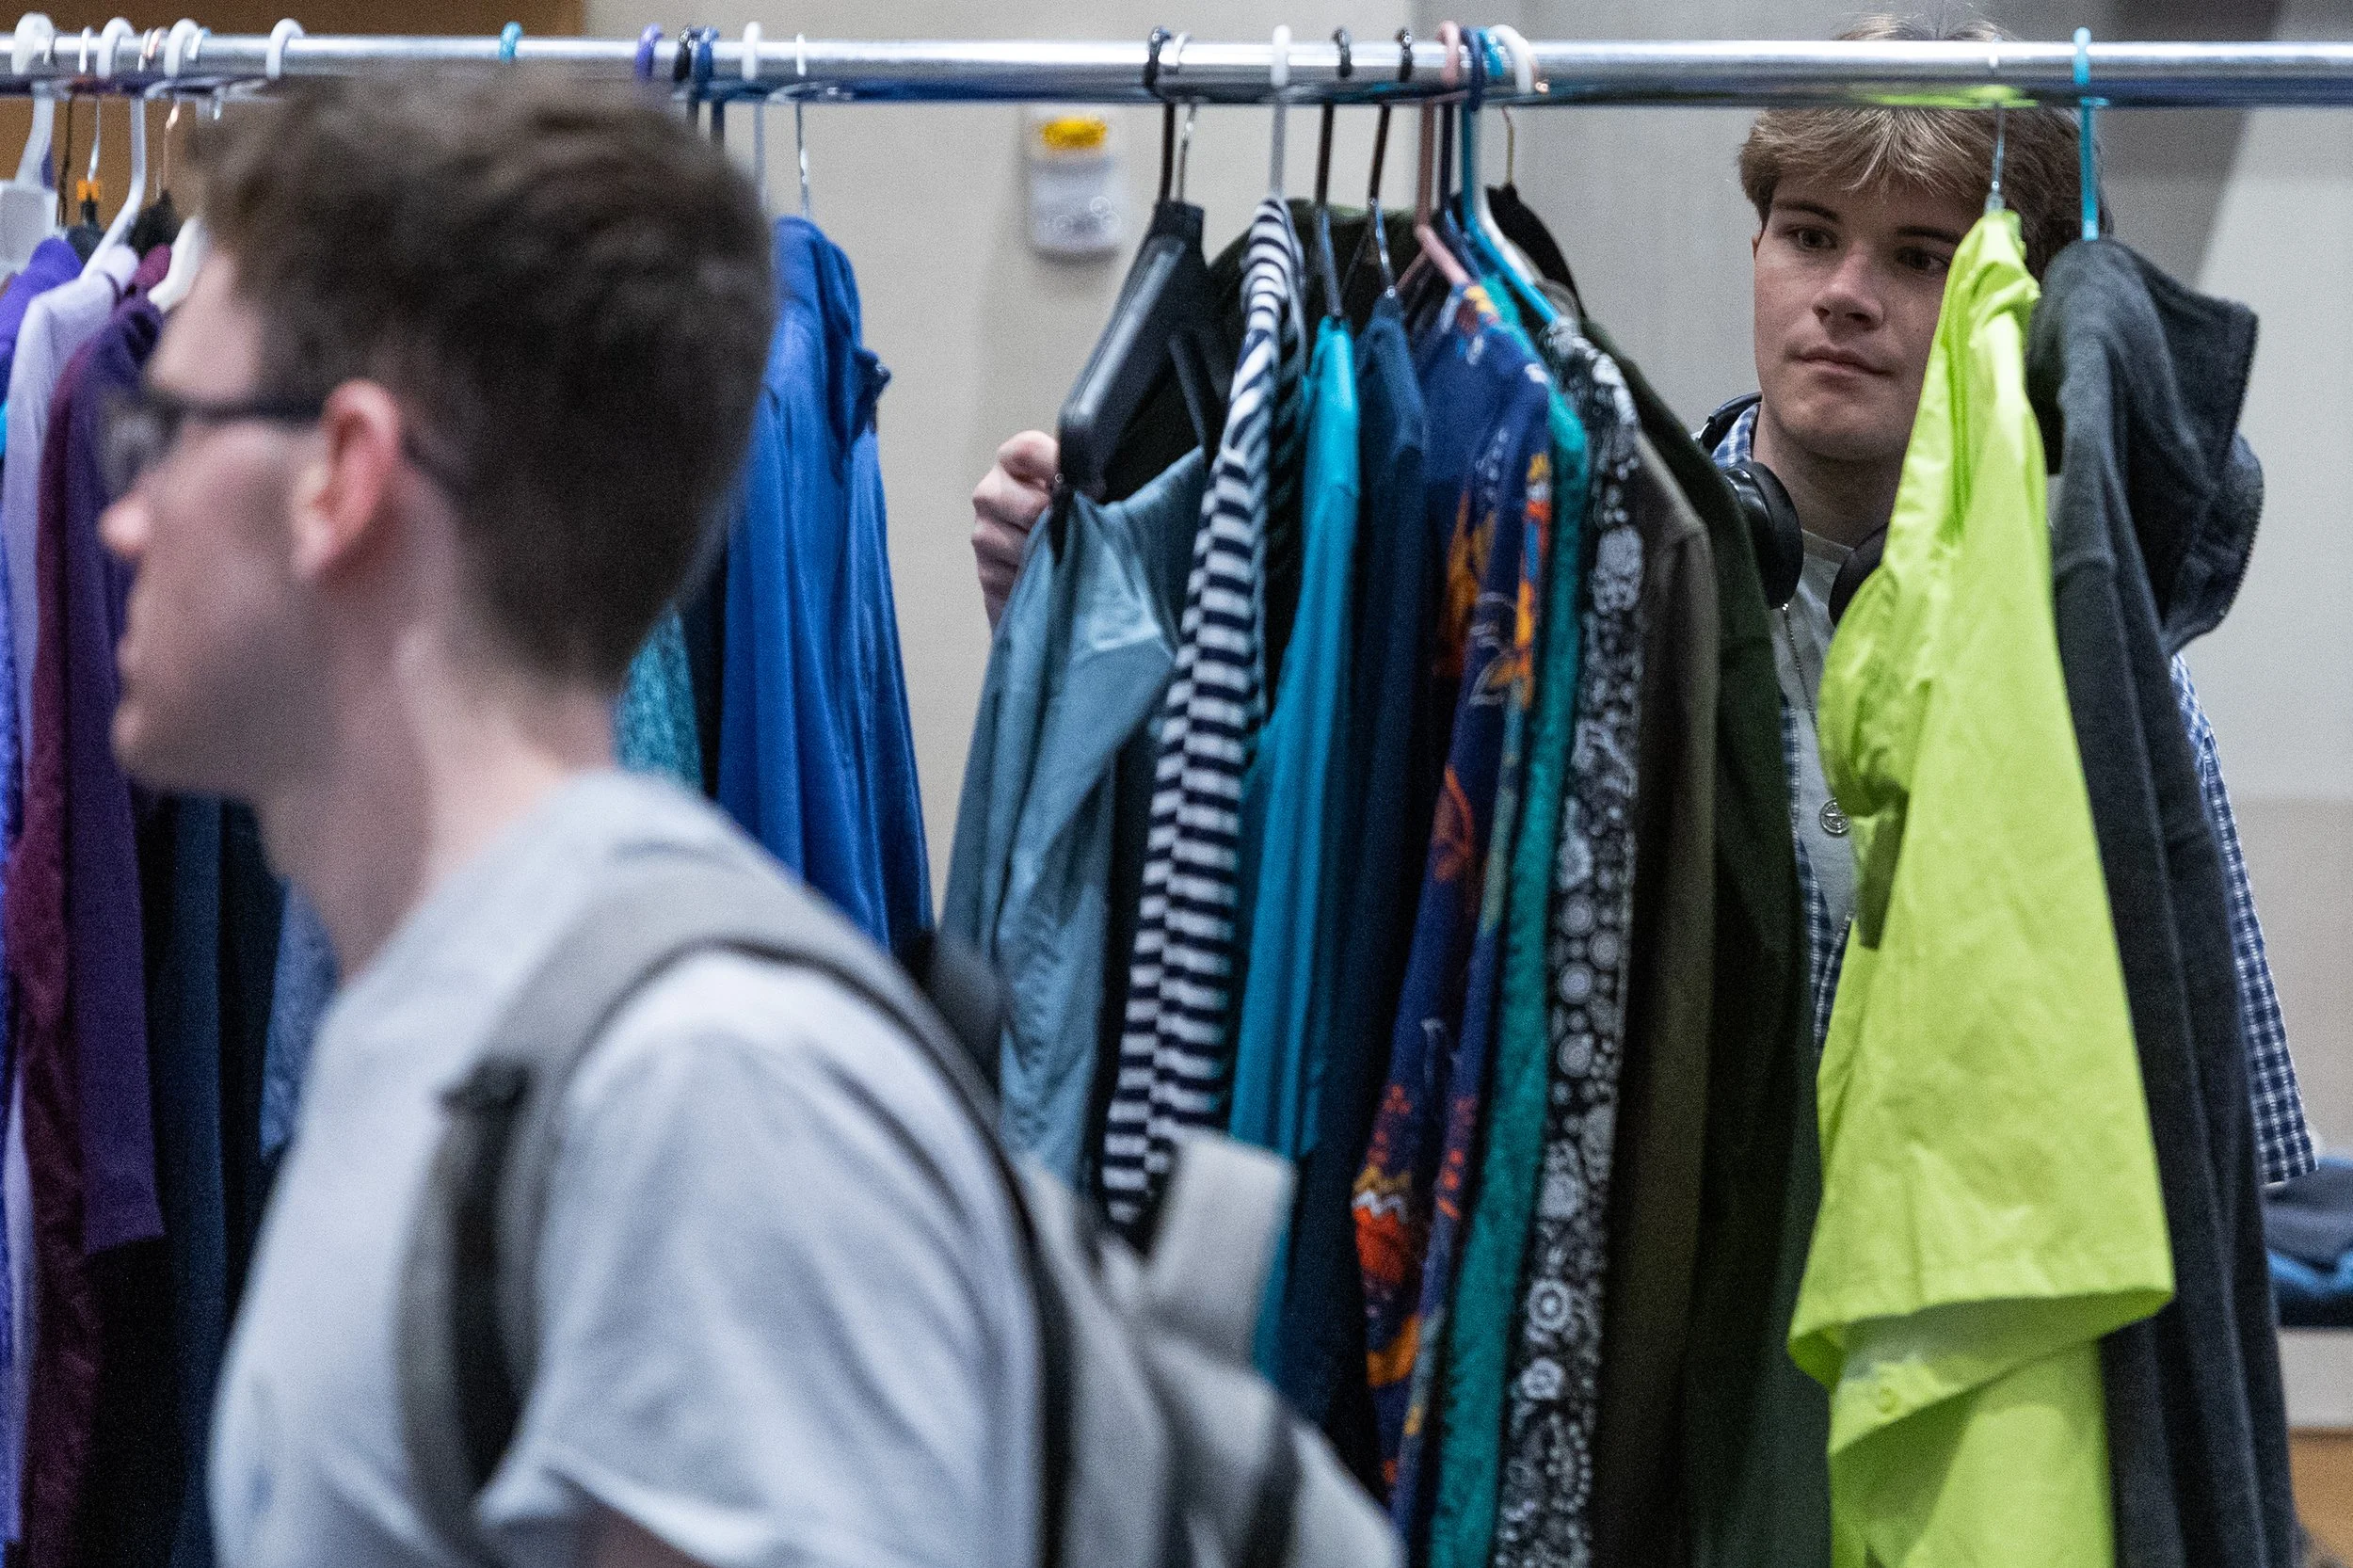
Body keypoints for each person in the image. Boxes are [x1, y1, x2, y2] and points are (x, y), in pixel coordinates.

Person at [967, 14, 2313, 1186]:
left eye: (1915, 257)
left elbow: (2232, 1140)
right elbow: (1314, 828)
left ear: (2005, 303)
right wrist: (1089, 620)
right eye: (1808, 234)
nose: (1842, 295)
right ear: (1756, 247)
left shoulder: (2097, 660)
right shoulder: (1585, 578)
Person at [104, 76, 1036, 1568]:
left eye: (164, 435)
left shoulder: (683, 1100)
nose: (119, 517)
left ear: (342, 478)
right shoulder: (424, 1021)